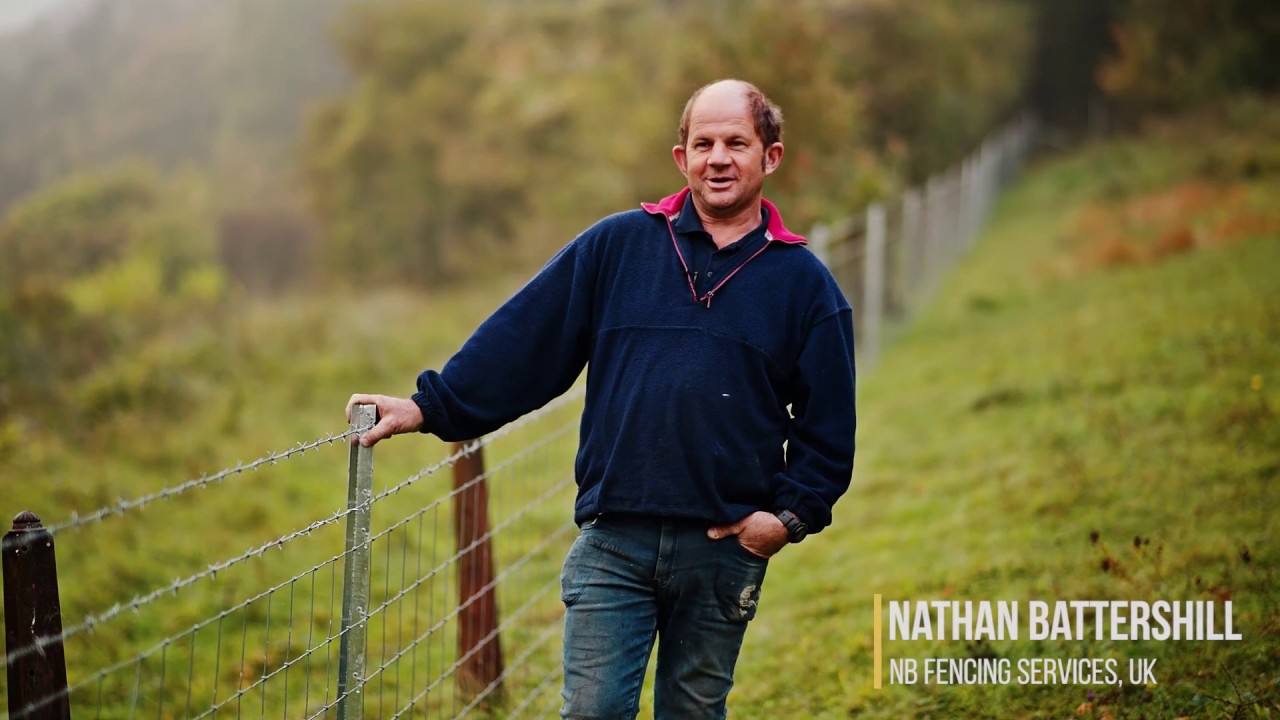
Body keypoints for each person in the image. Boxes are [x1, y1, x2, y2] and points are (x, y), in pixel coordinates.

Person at [346, 79, 855, 719]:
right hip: (615, 541)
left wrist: (784, 521)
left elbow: (828, 427)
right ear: (681, 157)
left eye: (736, 143)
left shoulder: (805, 286)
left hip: (724, 548)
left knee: (694, 712)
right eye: (703, 143)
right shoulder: (619, 247)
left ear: (770, 157)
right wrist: (430, 406)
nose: (717, 158)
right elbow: (527, 339)